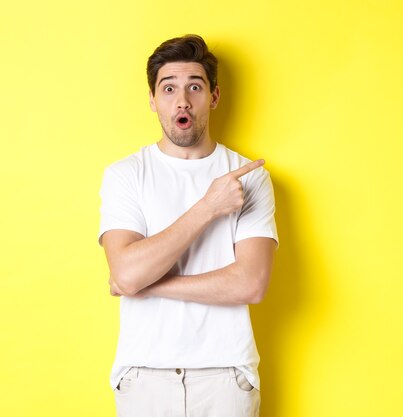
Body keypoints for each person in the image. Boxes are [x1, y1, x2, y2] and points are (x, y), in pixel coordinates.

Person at [98, 34, 278, 417]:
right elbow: (127, 273)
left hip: (226, 376)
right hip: (143, 376)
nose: (182, 100)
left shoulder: (248, 177)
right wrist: (209, 207)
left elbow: (251, 283)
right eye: (169, 88)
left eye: (195, 87)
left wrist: (151, 284)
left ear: (213, 97)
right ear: (152, 99)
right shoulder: (125, 175)